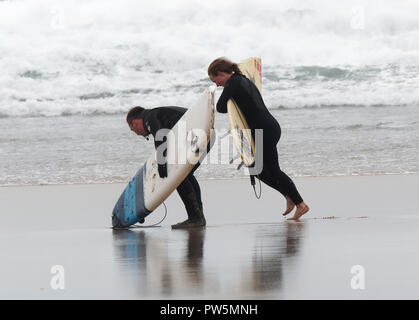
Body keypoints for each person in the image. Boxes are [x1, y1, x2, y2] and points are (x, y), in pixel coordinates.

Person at [208, 57, 310, 221]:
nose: (217, 85)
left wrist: (226, 93)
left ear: (221, 73)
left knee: (261, 170)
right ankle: (291, 197)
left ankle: (300, 203)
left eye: (216, 80)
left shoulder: (233, 83)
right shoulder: (243, 79)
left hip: (264, 130)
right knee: (267, 170)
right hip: (270, 126)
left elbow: (220, 107)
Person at [126, 106, 210, 229]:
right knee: (185, 176)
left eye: (134, 130)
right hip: (207, 134)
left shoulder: (150, 117)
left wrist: (161, 164)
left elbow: (160, 137)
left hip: (197, 136)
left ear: (135, 122)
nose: (137, 134)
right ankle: (198, 216)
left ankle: (195, 217)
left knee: (179, 178)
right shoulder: (158, 114)